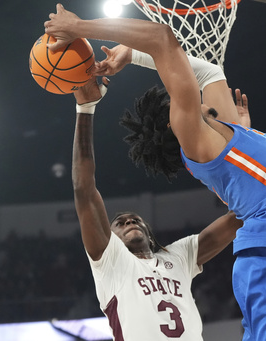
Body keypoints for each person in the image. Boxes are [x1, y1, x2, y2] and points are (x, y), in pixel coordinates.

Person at [45, 4, 266, 340]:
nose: (182, 86)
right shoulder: (193, 134)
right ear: (174, 121)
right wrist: (80, 26)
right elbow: (162, 38)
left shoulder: (226, 130)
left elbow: (210, 72)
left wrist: (134, 57)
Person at [70, 74, 243, 340]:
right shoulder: (112, 262)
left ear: (149, 234)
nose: (130, 223)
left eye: (135, 220)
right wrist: (85, 108)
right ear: (109, 238)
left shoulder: (179, 256)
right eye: (121, 223)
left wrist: (241, 142)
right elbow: (84, 188)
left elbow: (238, 217)